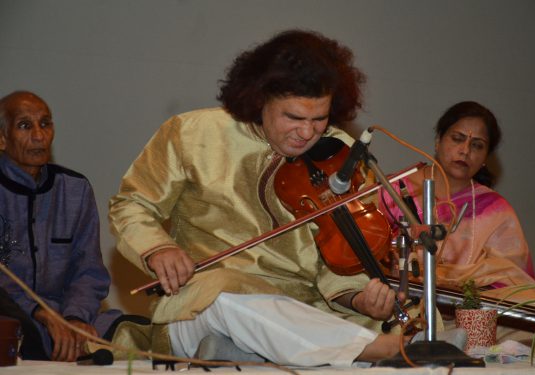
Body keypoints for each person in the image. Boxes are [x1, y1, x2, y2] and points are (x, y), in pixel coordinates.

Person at [109, 30, 463, 367]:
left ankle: (246, 353)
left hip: (307, 312)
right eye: (293, 117)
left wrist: (359, 298)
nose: (307, 132)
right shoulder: (191, 134)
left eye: (319, 118)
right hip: (204, 305)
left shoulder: (339, 155)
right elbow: (131, 204)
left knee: (418, 316)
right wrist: (158, 248)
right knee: (225, 295)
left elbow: (341, 261)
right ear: (259, 99)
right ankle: (374, 349)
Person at [0, 91, 125, 361]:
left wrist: (75, 318)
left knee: (131, 330)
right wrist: (39, 312)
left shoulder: (75, 189)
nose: (39, 135)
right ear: (2, 137)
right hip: (12, 318)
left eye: (45, 124)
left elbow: (89, 272)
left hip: (66, 320)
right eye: (24, 125)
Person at [378, 101, 535, 300]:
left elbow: (514, 283)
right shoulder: (392, 191)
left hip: (468, 315)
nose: (465, 150)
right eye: (457, 139)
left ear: (485, 158)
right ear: (438, 140)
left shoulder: (494, 210)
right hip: (397, 304)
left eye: (477, 145)